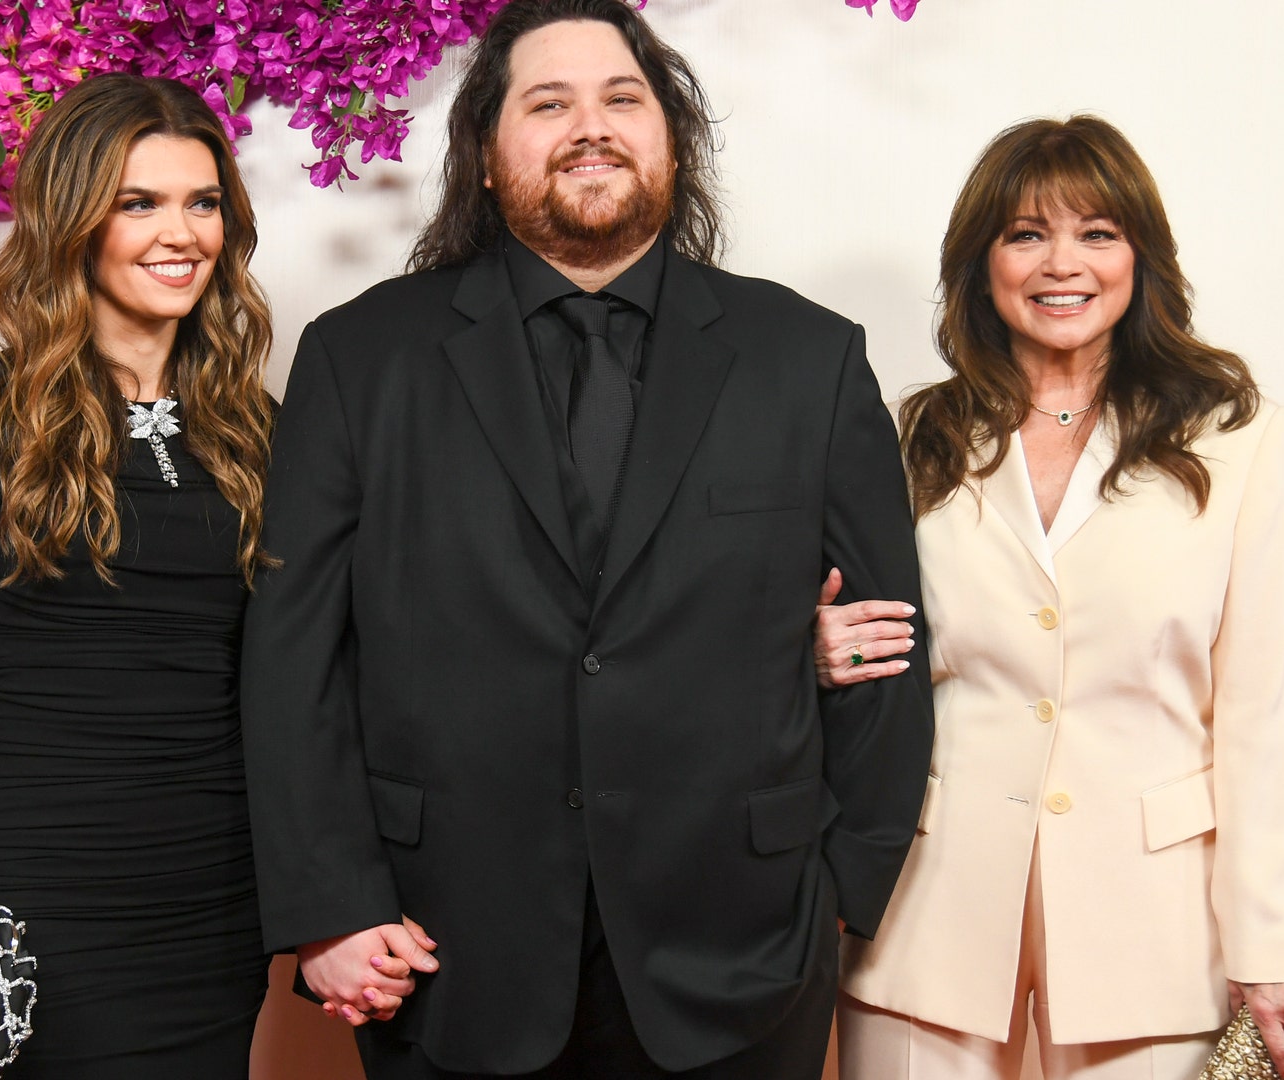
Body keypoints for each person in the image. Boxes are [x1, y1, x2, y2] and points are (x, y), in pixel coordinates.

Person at [240, 1, 934, 1076]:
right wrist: (329, 905)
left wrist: (841, 889)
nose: (591, 127)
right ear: (483, 155)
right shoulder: (359, 359)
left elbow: (889, 651)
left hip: (747, 955)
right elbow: (296, 659)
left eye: (622, 98)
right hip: (440, 952)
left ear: (673, 139)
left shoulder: (809, 357)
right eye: (548, 103)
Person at [0, 75, 413, 1076]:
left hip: (216, 893)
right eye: (139, 203)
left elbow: (309, 677)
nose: (179, 233)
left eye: (202, 202)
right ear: (75, 222)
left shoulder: (261, 429)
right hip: (39, 883)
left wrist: (337, 899)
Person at [821, 116, 1284, 1080]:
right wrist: (816, 648)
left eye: (1098, 233)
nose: (1064, 263)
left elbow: (1262, 710)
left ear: (1141, 257)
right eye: (1026, 234)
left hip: (1156, 929)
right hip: (926, 913)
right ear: (983, 265)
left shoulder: (1241, 437)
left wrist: (1274, 941)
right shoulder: (909, 434)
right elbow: (853, 637)